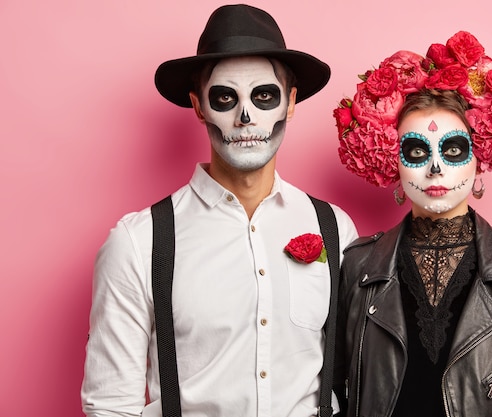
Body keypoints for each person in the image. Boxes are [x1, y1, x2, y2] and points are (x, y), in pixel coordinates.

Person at [81, 4, 358, 417]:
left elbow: (356, 377)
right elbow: (109, 405)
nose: (246, 117)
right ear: (199, 107)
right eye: (225, 97)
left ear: (291, 103)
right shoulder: (139, 243)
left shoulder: (334, 229)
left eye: (264, 96)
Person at [332, 31, 492, 417]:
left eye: (453, 150)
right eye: (415, 151)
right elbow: (335, 395)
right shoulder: (359, 266)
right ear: (392, 161)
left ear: (479, 158)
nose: (434, 168)